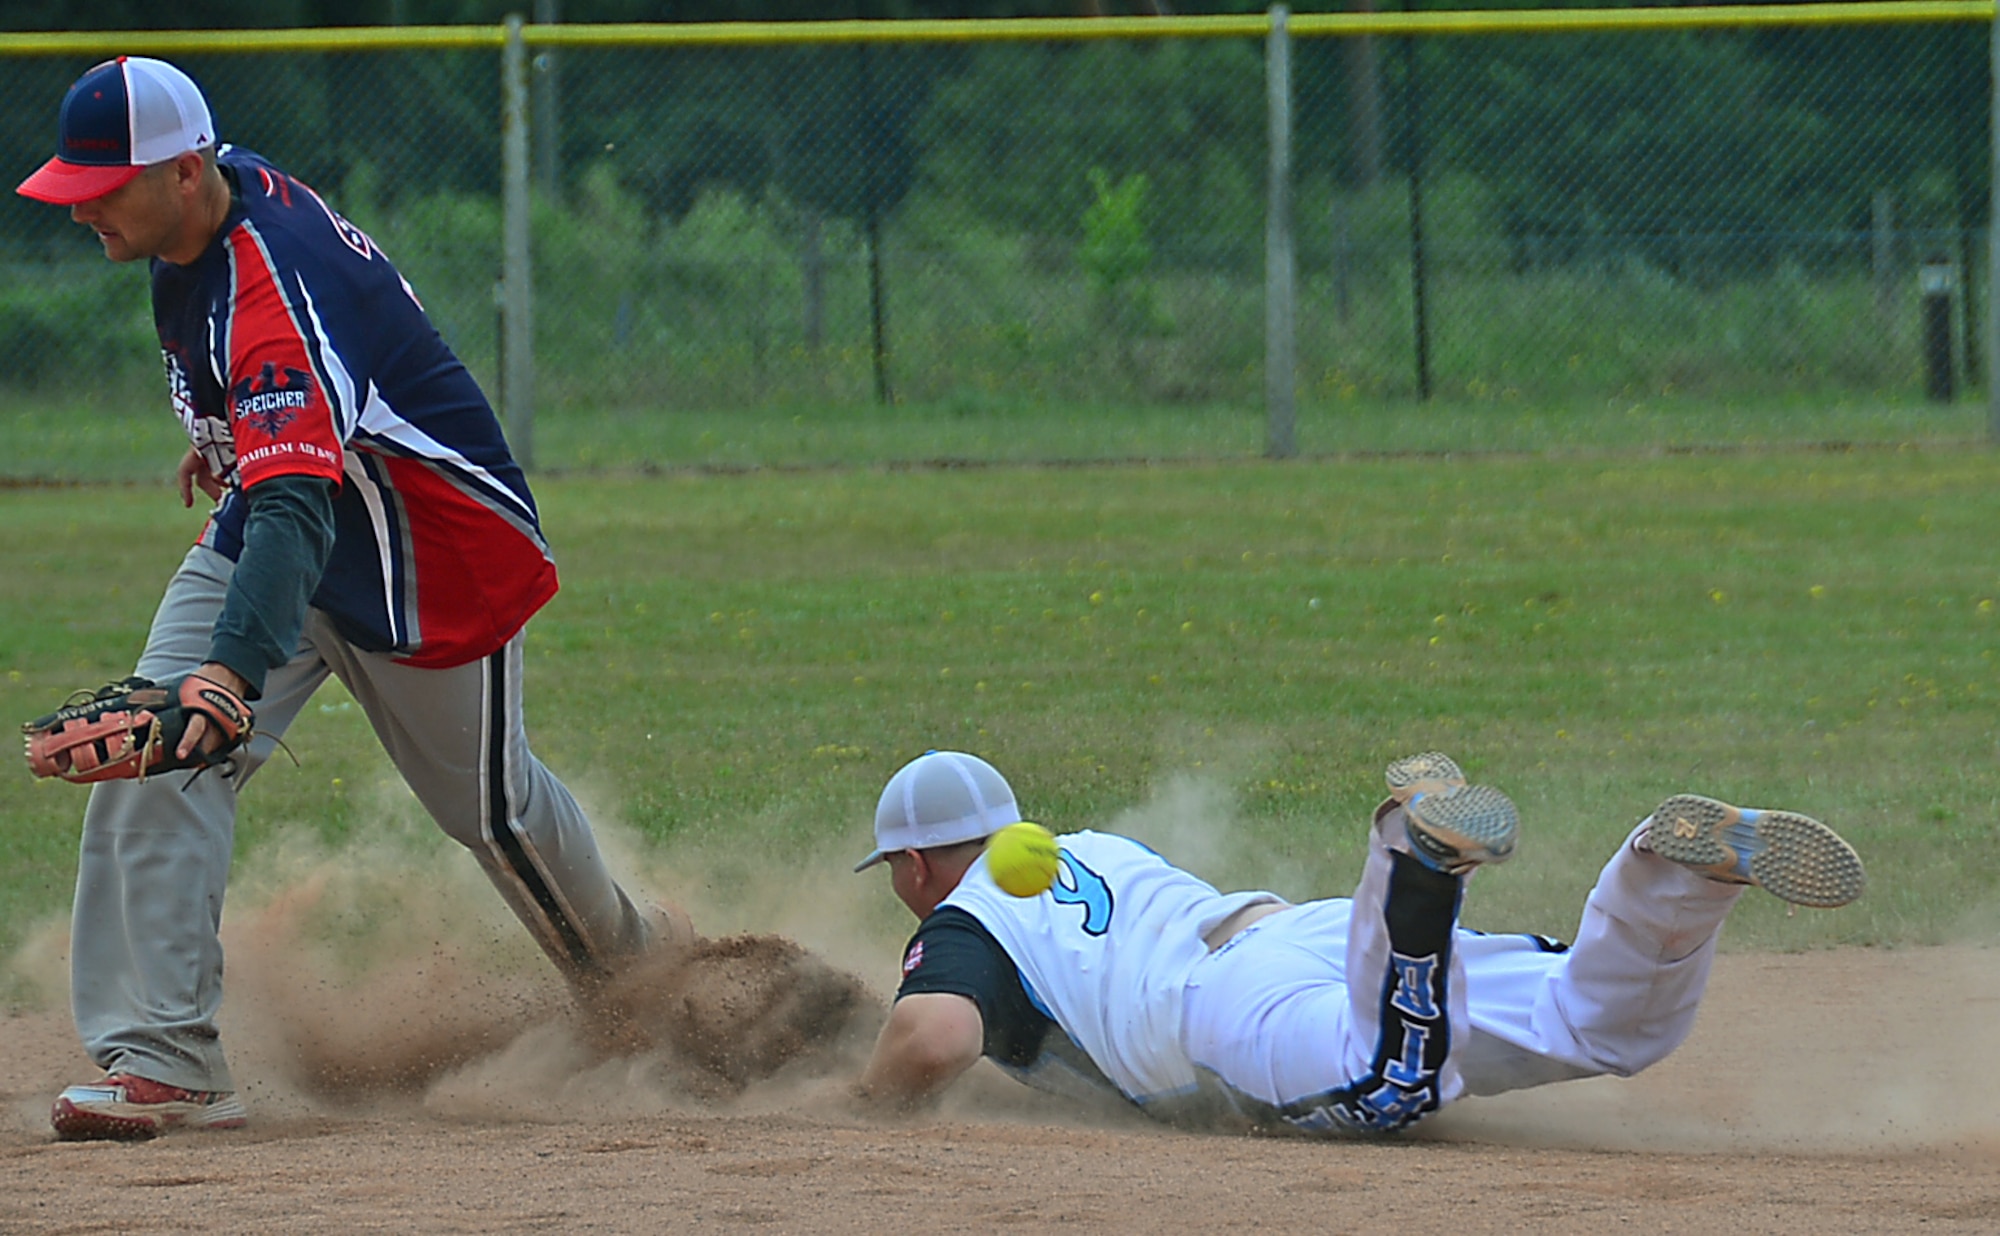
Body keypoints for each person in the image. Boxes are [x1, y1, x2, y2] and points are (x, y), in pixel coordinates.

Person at [16, 56, 687, 1140]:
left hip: (420, 557)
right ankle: (167, 1061)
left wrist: (229, 676)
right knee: (154, 745)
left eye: (108, 184)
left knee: (491, 813)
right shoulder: (188, 224)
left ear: (187, 172)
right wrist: (222, 440)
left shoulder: (269, 284)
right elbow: (274, 441)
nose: (83, 204)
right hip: (283, 522)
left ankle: (643, 987)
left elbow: (297, 492)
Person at [852, 749, 1865, 1134]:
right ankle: (1668, 871)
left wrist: (857, 1102)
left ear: (909, 866)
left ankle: (1412, 862)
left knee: (1386, 1076)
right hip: (1308, 936)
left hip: (1233, 1012)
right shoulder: (1086, 849)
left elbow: (933, 1040)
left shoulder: (966, 915)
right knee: (1603, 1024)